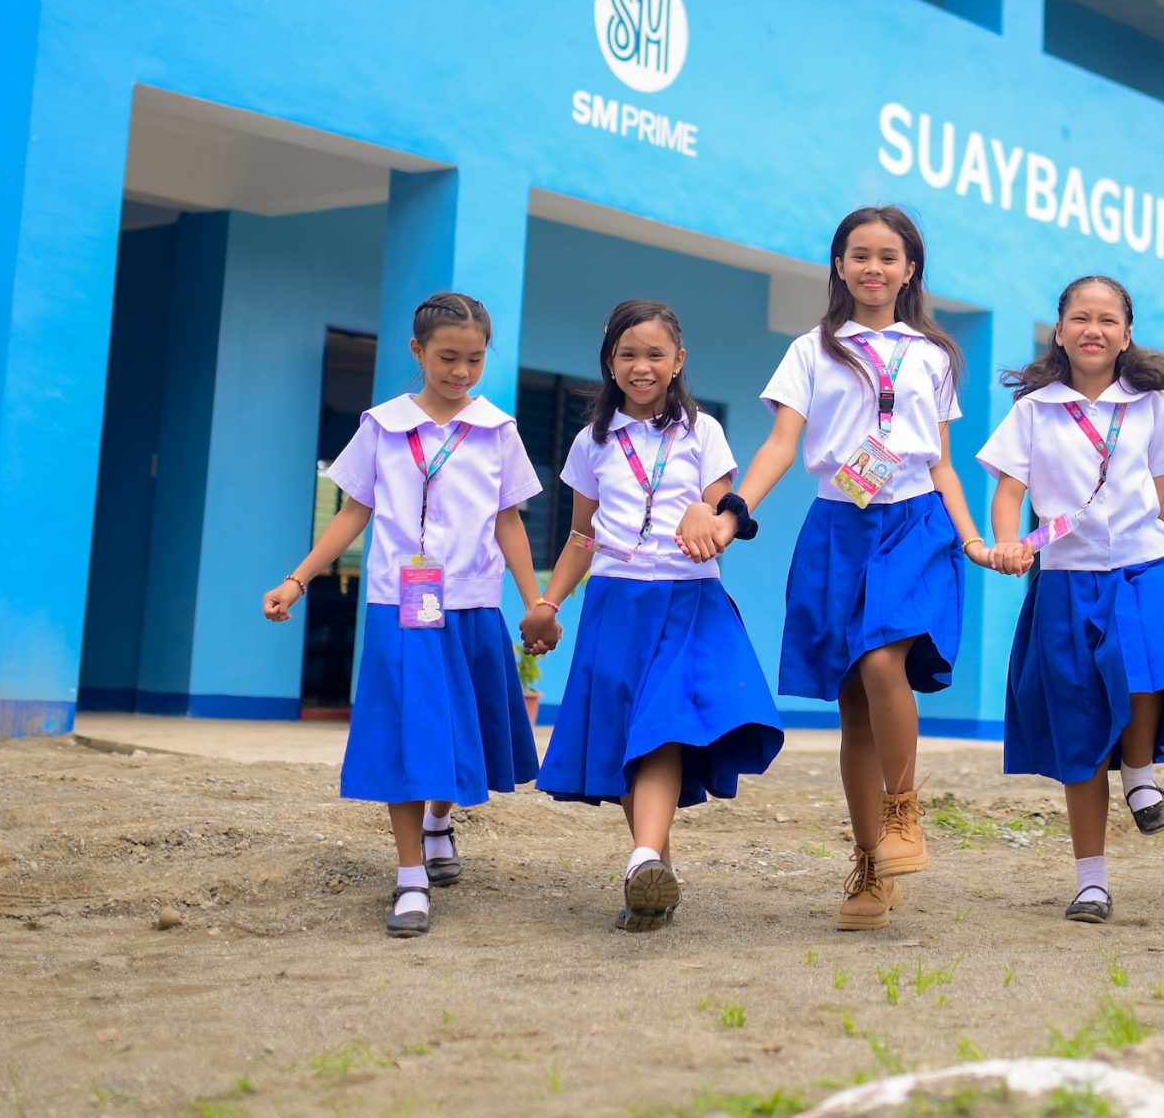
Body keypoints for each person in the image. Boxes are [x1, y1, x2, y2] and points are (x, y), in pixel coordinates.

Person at [725, 206, 994, 930]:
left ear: (910, 269)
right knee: (853, 706)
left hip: (912, 519)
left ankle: (904, 811)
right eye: (859, 255)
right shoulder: (811, 348)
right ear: (839, 265)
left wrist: (969, 537)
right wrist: (736, 506)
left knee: (883, 660)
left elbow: (941, 461)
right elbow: (783, 443)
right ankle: (873, 865)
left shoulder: (932, 354)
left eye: (888, 256)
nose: (873, 267)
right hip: (837, 522)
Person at [265, 292, 542, 939]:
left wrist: (536, 602)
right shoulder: (382, 426)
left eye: (474, 359)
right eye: (448, 357)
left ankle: (441, 821)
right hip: (402, 604)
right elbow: (353, 511)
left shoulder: (498, 430)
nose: (461, 372)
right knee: (410, 732)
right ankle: (411, 874)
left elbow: (510, 523)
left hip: (472, 603)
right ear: (417, 352)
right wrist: (297, 579)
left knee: (457, 729)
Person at [521, 300, 783, 933]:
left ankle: (642, 858)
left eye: (655, 354)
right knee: (627, 737)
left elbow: (730, 509)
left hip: (687, 599)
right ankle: (651, 872)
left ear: (678, 361)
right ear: (610, 363)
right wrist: (549, 604)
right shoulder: (592, 441)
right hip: (615, 602)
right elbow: (583, 536)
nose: (642, 367)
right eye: (628, 355)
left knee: (661, 727)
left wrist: (709, 513)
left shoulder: (702, 432)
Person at [981, 275, 1164, 925]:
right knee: (1079, 732)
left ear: (1126, 333)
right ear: (1059, 330)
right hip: (1066, 578)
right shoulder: (1035, 409)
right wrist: (1008, 542)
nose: (1093, 329)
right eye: (1080, 317)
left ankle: (1140, 770)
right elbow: (1007, 491)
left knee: (1144, 663)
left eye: (1108, 319)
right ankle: (1091, 882)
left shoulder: (1150, 405)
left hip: (1141, 567)